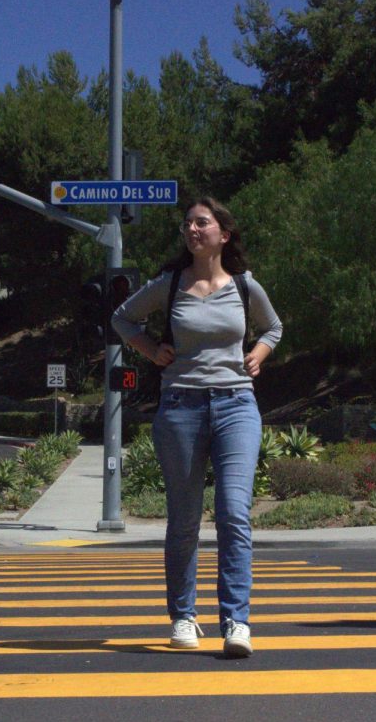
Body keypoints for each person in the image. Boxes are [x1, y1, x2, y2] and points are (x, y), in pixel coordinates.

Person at [112, 196, 282, 657]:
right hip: (180, 407)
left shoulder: (245, 286)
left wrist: (258, 355)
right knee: (184, 520)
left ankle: (237, 622)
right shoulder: (168, 285)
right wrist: (149, 349)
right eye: (187, 223)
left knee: (233, 513)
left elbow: (273, 328)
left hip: (236, 405)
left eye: (201, 222)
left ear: (222, 234)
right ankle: (184, 616)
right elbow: (122, 317)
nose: (192, 229)